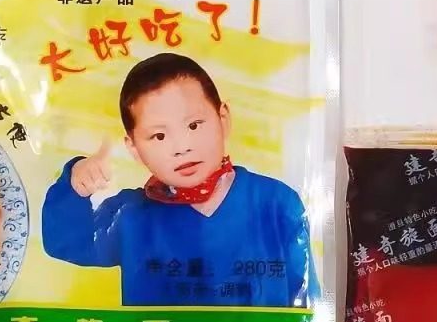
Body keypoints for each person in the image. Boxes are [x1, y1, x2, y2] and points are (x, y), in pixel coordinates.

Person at [41, 53, 317, 307]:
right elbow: (65, 242)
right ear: (134, 148)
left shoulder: (276, 203)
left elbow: (306, 306)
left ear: (223, 119)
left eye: (194, 125)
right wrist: (75, 184)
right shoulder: (130, 214)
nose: (182, 147)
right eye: (159, 136)